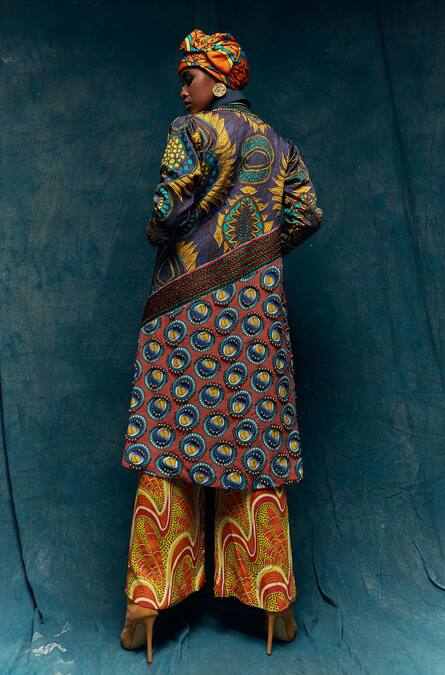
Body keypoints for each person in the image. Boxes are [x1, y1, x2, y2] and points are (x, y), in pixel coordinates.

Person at [119, 27, 323, 664]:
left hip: (183, 309)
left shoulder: (192, 132)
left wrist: (173, 236)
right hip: (254, 315)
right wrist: (256, 253)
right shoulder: (279, 145)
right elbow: (307, 215)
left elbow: (164, 213)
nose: (183, 91)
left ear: (219, 77)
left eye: (190, 78)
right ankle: (275, 606)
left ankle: (146, 605)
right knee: (254, 448)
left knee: (171, 442)